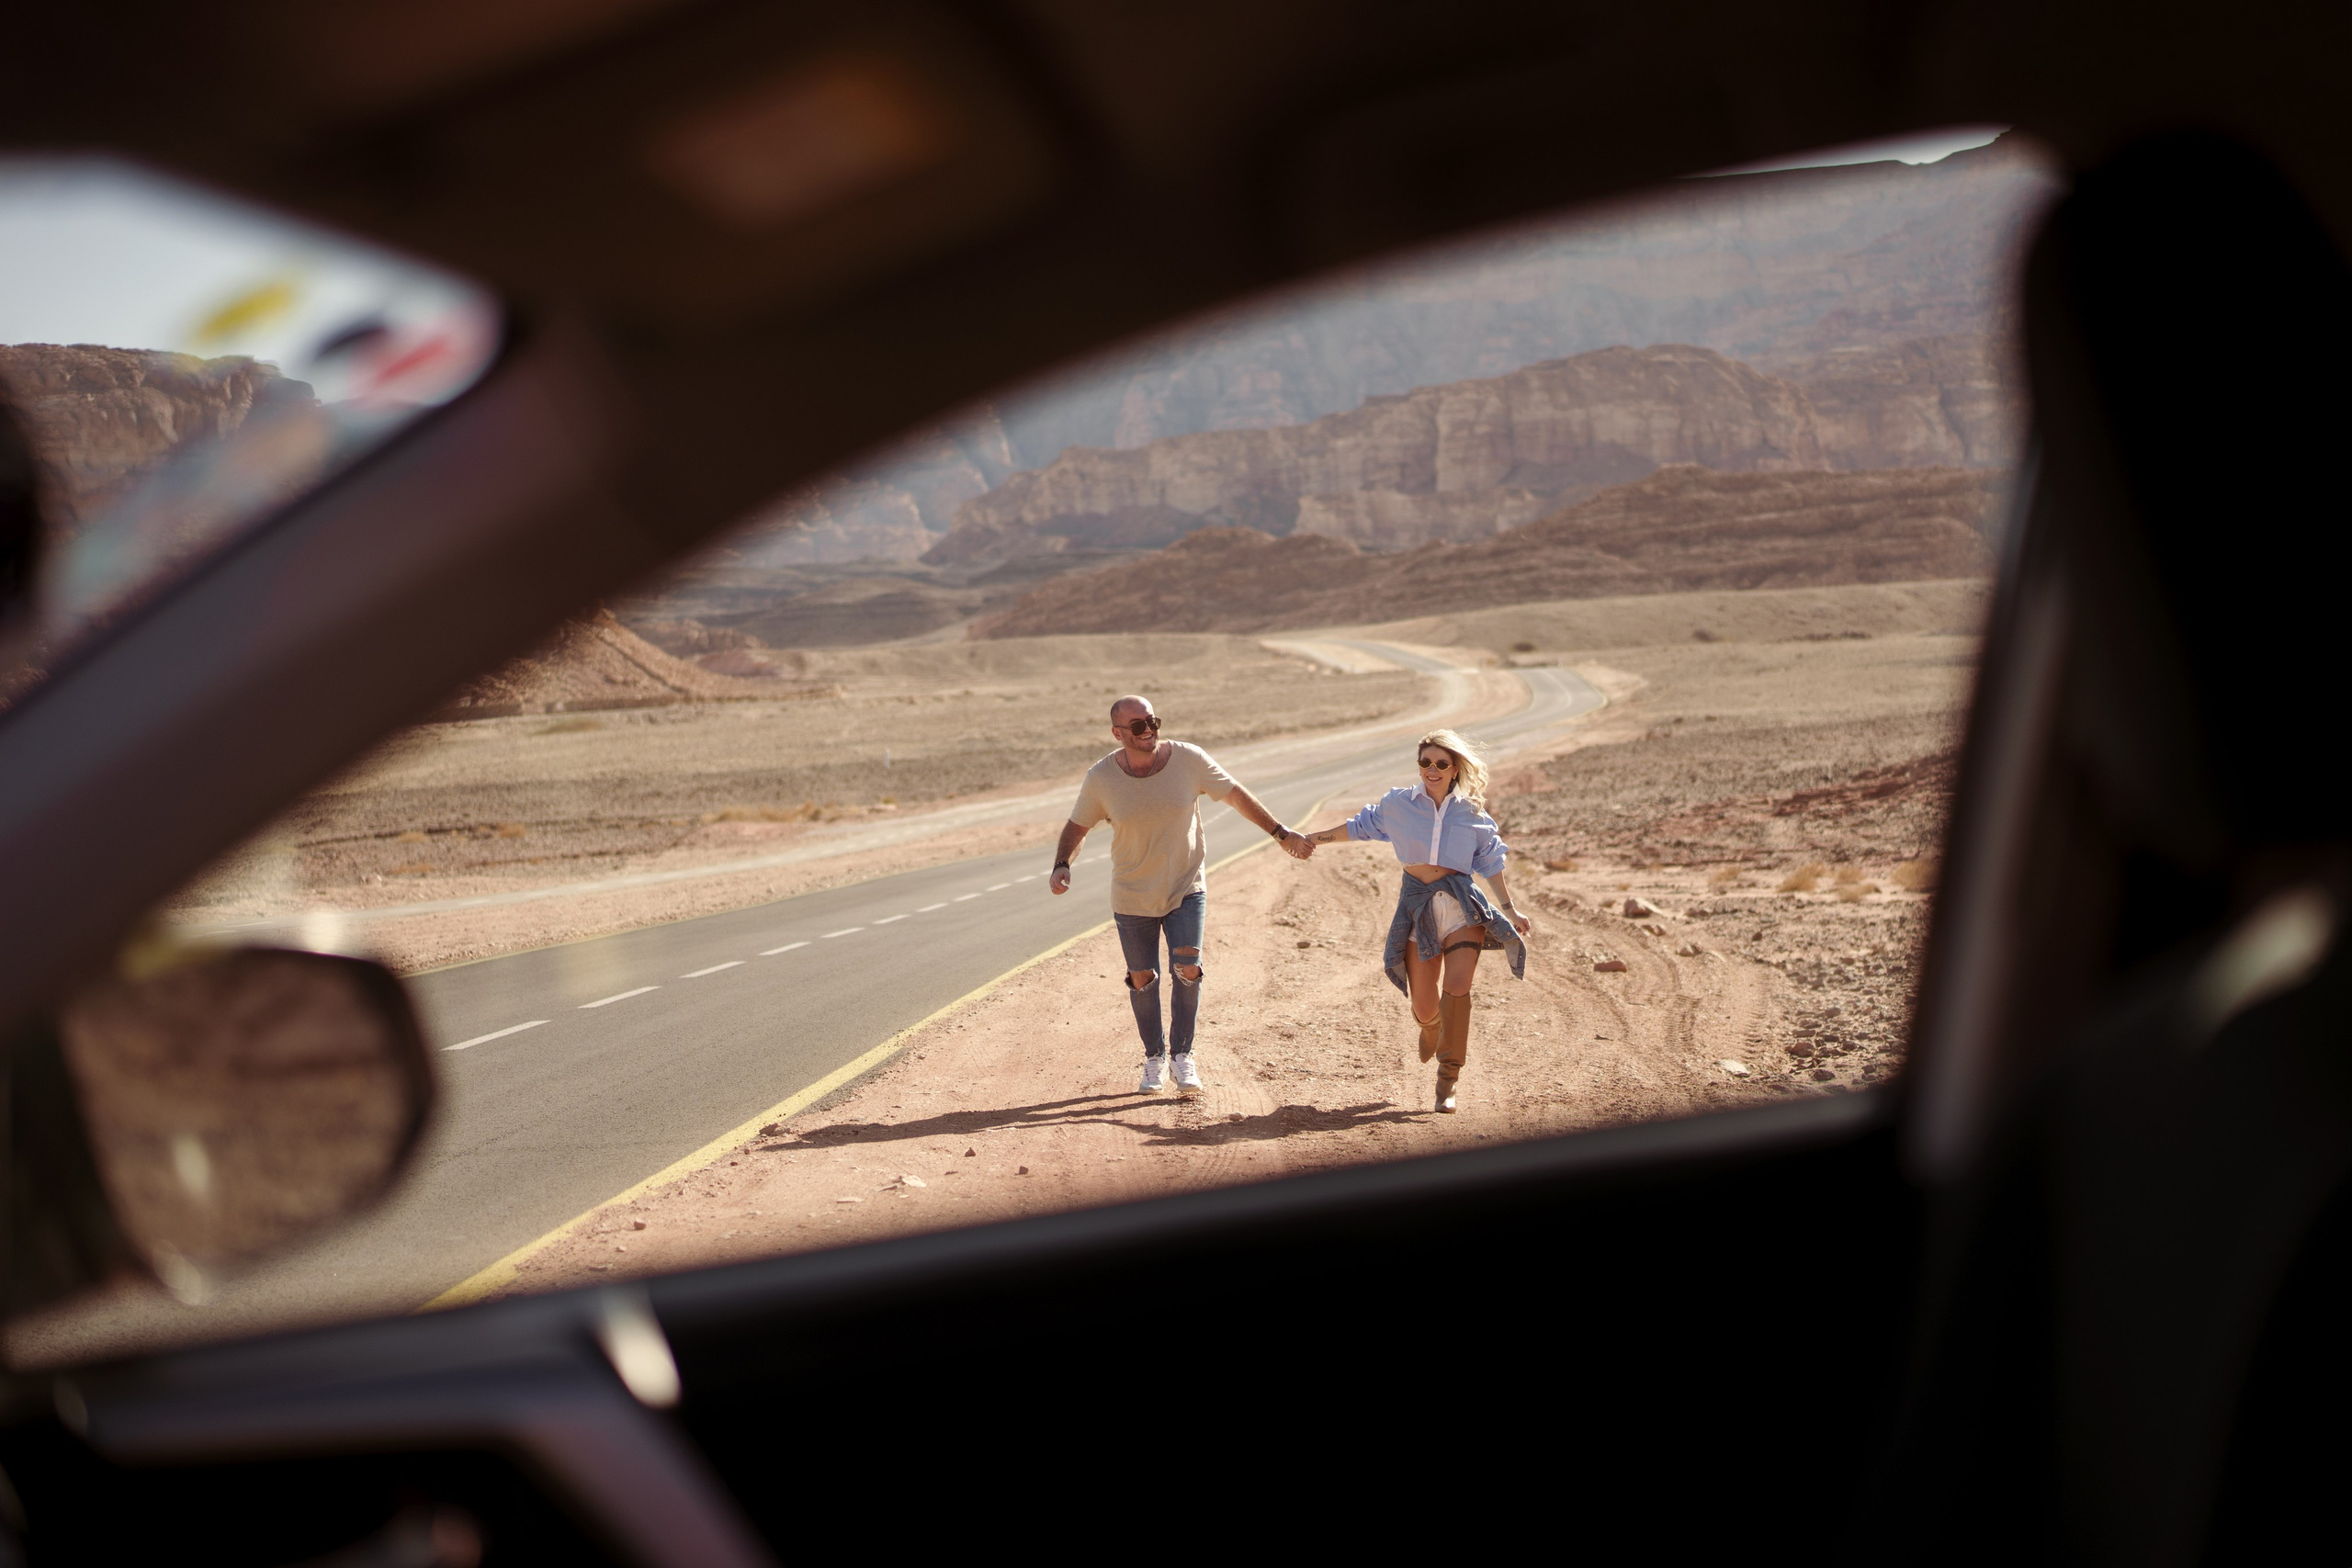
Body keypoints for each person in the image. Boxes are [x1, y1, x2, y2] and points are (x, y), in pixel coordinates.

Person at [1051, 695, 1309, 1093]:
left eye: (1153, 720)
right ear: (1118, 733)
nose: (1149, 729)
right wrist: (1062, 864)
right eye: (1137, 726)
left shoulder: (1189, 759)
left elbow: (1236, 794)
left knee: (1188, 968)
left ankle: (1182, 1056)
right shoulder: (1101, 778)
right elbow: (1077, 826)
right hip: (1132, 893)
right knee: (1143, 978)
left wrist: (1280, 833)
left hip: (1186, 886)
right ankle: (1154, 1058)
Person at [1295, 728, 1531, 1112]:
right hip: (1417, 905)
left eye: (1440, 763)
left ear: (1454, 769)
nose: (1432, 769)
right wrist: (1311, 839)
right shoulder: (1398, 804)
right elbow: (1357, 827)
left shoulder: (1472, 813)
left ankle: (1447, 1081)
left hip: (1462, 907)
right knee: (1424, 1003)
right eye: (1425, 762)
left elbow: (1491, 864)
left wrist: (1510, 910)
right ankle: (1430, 1027)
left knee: (1457, 986)